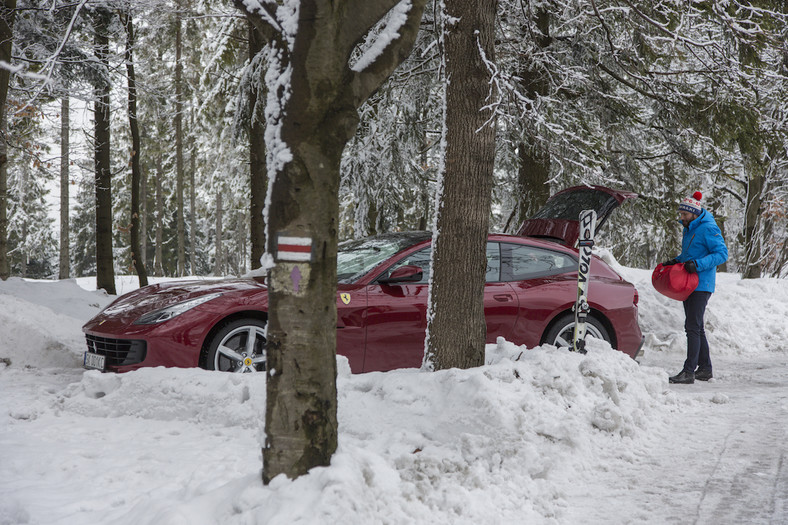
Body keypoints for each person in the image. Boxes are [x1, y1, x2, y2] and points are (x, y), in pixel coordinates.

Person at [662, 191, 728, 384]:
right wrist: (676, 261)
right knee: (697, 327)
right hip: (689, 283)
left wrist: (697, 265)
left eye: (684, 214)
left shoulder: (708, 228)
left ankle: (688, 371)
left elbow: (722, 254)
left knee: (692, 326)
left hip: (702, 284)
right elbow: (690, 254)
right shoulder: (689, 227)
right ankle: (705, 369)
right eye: (680, 213)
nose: (681, 217)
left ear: (693, 213)